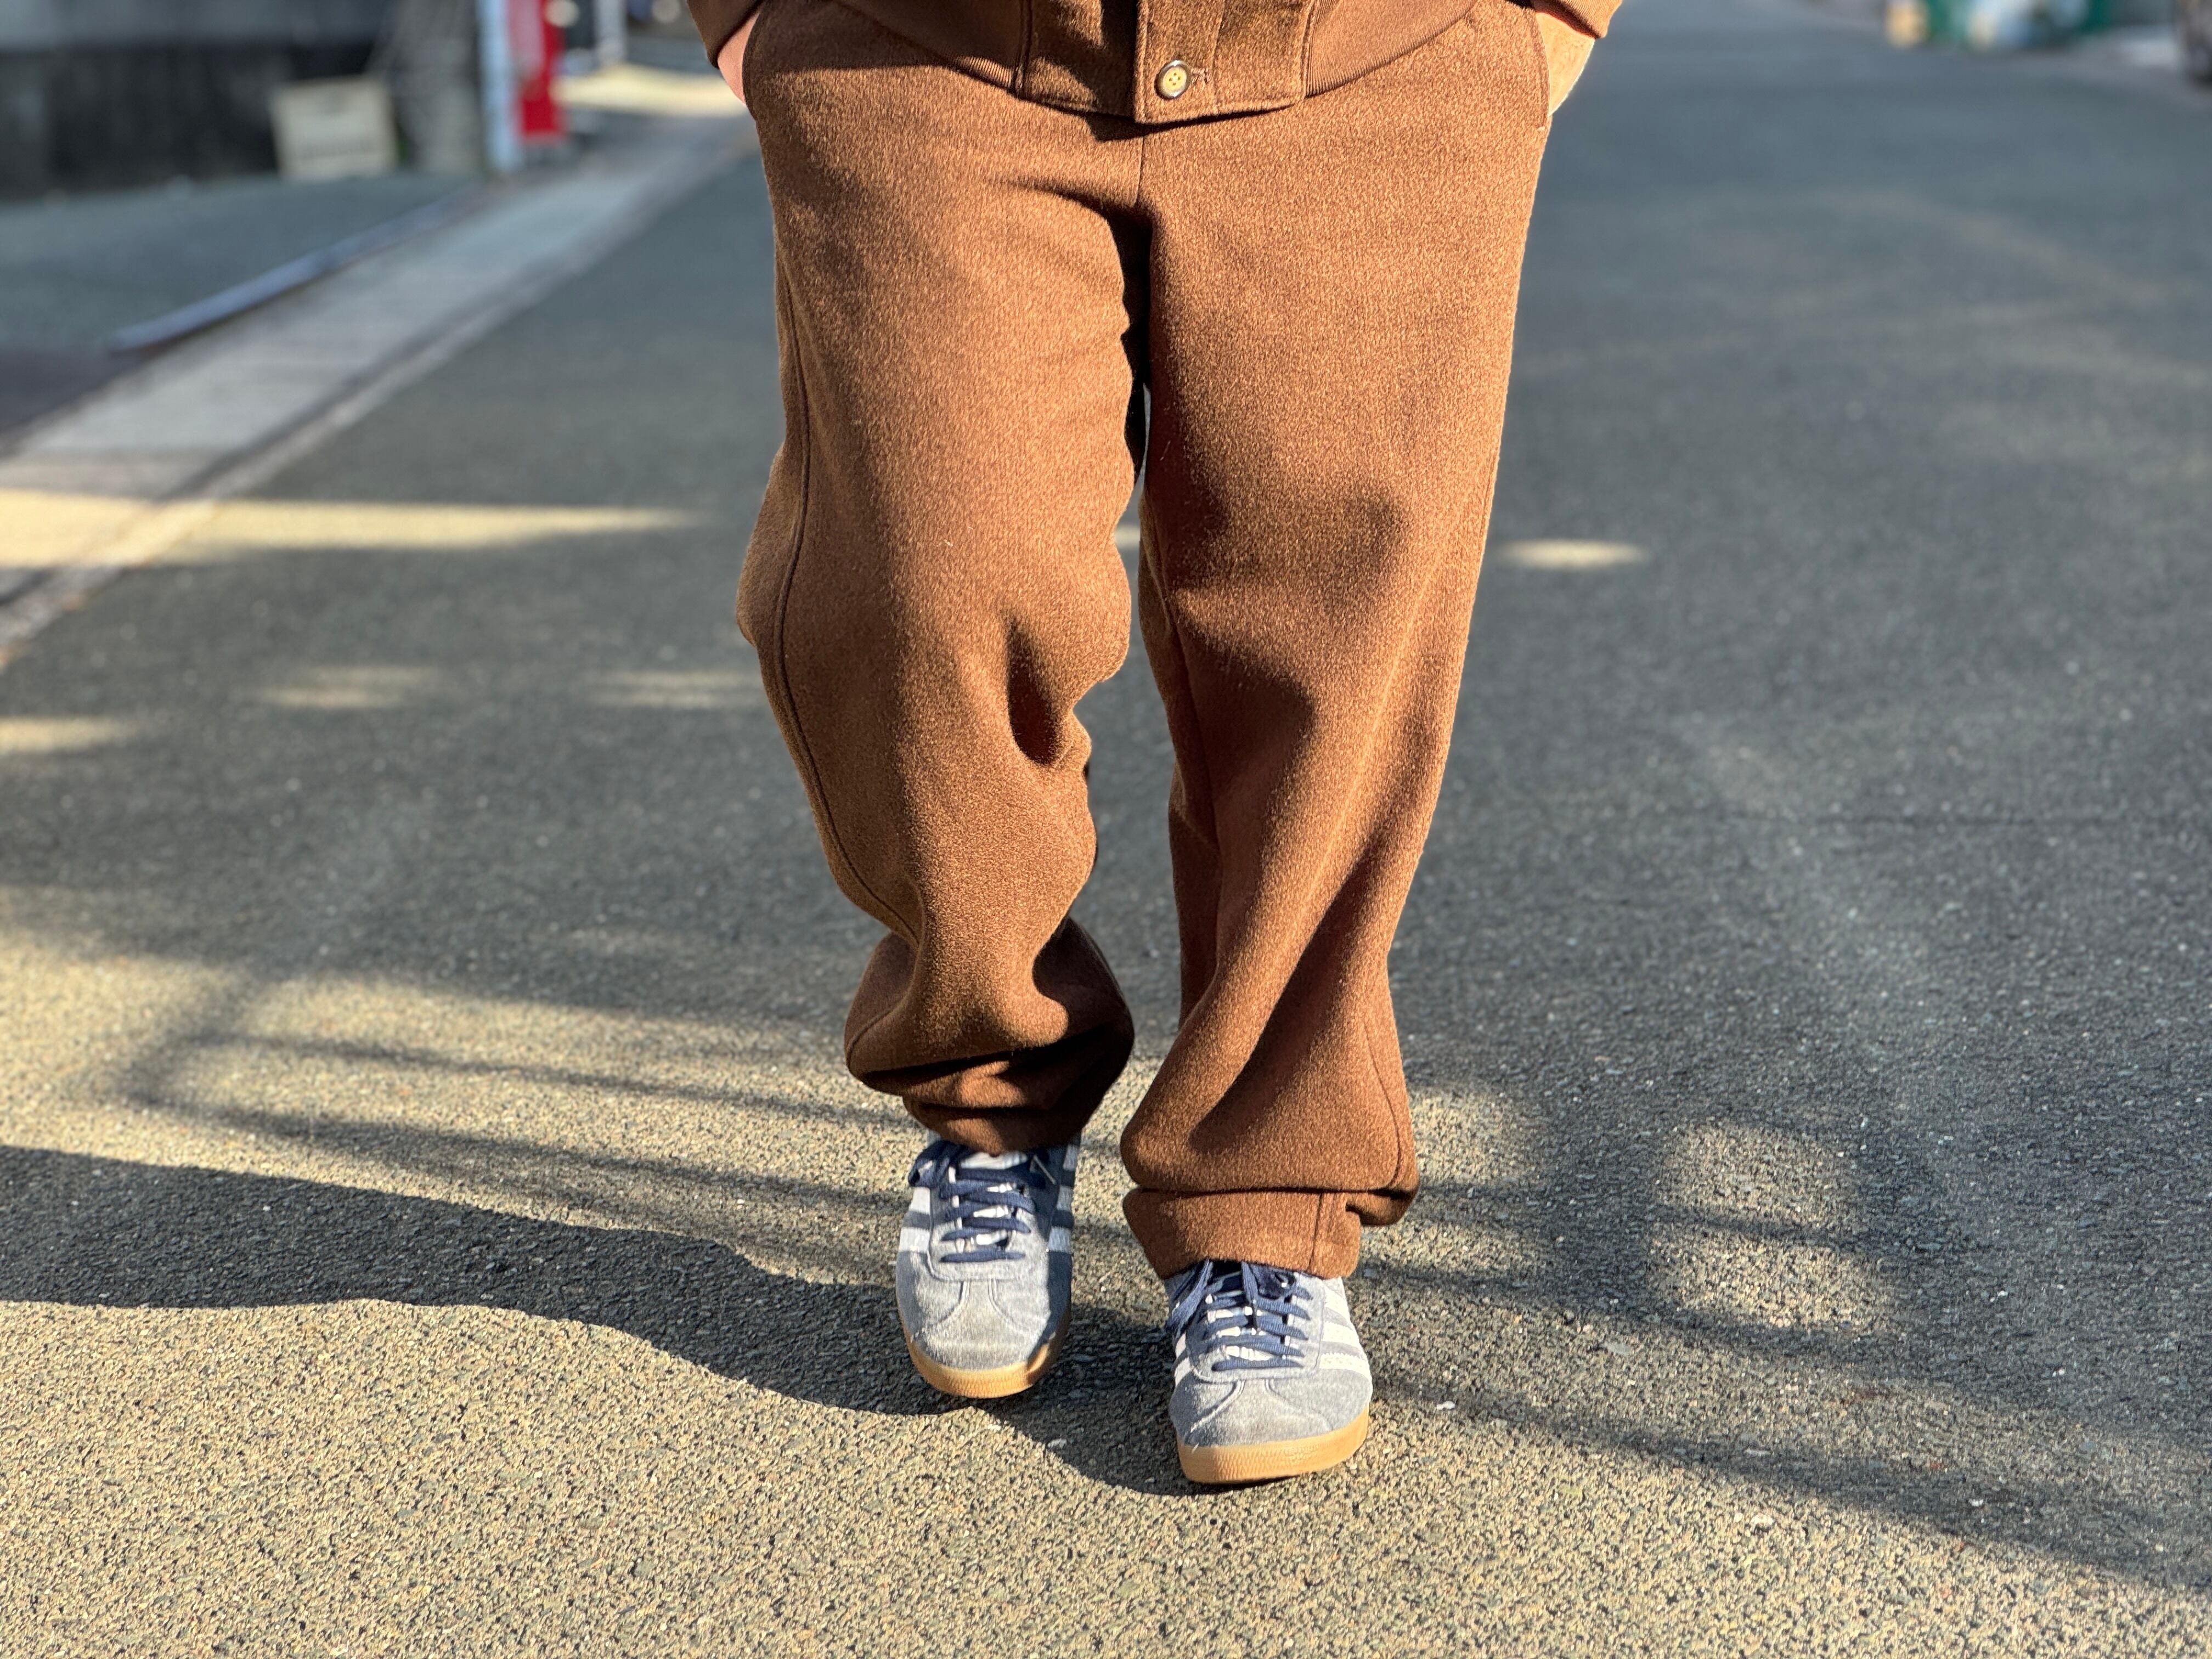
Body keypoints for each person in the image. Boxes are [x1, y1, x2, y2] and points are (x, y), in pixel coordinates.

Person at [691, 0, 1606, 1483]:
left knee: (1334, 644)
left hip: (1376, 57)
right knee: (926, 586)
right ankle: (992, 1094)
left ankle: (1271, 1195)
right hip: (920, 46)